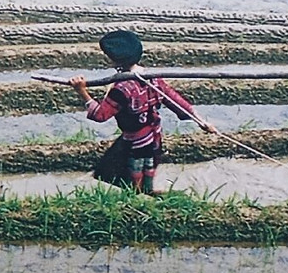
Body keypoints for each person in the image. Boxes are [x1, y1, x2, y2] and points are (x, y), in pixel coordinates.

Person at [70, 30, 216, 194]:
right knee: (148, 167)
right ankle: (148, 193)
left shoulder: (122, 89)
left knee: (122, 174)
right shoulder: (153, 78)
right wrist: (202, 122)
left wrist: (81, 91)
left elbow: (100, 115)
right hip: (154, 137)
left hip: (135, 141)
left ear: (114, 59)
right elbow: (178, 103)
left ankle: (138, 199)